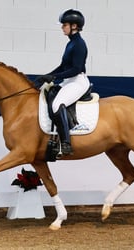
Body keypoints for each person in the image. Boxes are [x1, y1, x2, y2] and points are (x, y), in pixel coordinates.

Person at [35, 9, 91, 156]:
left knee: (56, 104)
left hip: (78, 81)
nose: (62, 27)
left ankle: (66, 143)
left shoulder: (79, 44)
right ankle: (53, 136)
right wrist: (48, 75)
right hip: (69, 80)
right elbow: (63, 66)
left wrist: (55, 77)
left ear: (74, 26)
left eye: (64, 24)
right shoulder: (70, 44)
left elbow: (76, 69)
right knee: (49, 94)